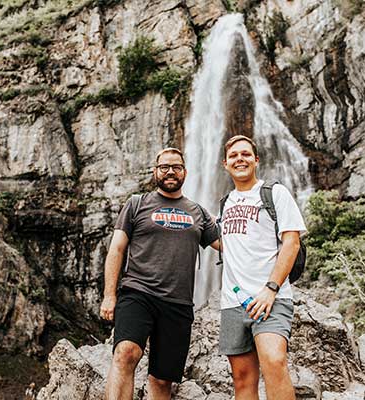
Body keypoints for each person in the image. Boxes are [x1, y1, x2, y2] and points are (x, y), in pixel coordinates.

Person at [100, 147, 220, 400]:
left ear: (185, 172)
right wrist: (109, 295)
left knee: (163, 379)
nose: (170, 172)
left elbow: (229, 246)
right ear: (155, 171)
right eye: (164, 167)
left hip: (178, 302)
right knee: (125, 353)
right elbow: (116, 249)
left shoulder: (198, 212)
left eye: (176, 167)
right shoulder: (136, 203)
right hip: (138, 292)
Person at [218, 135, 306, 400]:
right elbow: (228, 243)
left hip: (270, 297)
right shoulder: (225, 202)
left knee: (274, 361)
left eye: (245, 154)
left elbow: (291, 243)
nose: (240, 159)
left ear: (256, 160)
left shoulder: (274, 192)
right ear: (225, 164)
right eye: (234, 156)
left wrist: (271, 289)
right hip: (232, 302)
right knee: (242, 379)